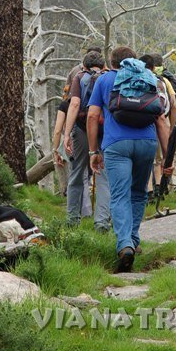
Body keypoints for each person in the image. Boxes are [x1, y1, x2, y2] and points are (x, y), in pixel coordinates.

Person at [87, 46, 173, 272]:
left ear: (112, 63)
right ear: (134, 61)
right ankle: (133, 239)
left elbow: (93, 116)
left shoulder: (104, 80)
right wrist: (167, 157)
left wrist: (93, 151)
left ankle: (125, 244)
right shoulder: (149, 78)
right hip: (147, 143)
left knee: (119, 195)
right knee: (139, 193)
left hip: (116, 145)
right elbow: (161, 120)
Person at [63, 51, 111, 231]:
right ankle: (102, 221)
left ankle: (72, 219)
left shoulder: (79, 77)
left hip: (83, 129)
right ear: (103, 65)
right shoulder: (108, 77)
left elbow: (75, 104)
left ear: (83, 65)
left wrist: (67, 134)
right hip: (105, 130)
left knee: (77, 172)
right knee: (103, 175)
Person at [140, 54, 176, 202]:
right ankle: (160, 188)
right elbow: (173, 104)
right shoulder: (163, 81)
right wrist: (172, 127)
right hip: (163, 120)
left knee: (148, 159)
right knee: (160, 158)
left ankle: (149, 191)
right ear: (154, 67)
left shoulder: (138, 80)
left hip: (144, 124)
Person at [52, 99, 92, 214]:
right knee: (88, 176)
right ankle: (90, 211)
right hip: (93, 139)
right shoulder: (88, 101)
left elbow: (58, 130)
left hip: (74, 142)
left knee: (77, 175)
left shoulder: (65, 105)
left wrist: (55, 150)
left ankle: (83, 212)